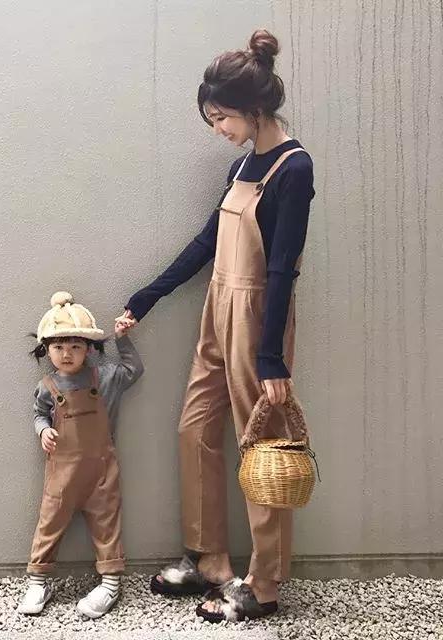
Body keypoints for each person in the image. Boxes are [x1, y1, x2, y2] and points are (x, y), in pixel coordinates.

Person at [117, 29, 315, 622]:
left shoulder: (294, 168)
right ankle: (209, 558)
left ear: (254, 109)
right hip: (216, 308)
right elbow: (208, 241)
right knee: (194, 428)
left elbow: (282, 268)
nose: (217, 129)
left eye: (221, 118)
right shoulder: (241, 165)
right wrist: (147, 297)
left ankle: (265, 584)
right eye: (212, 120)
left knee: (262, 449)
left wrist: (272, 358)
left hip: (258, 316)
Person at [18, 291, 143, 619]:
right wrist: (43, 431)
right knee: (49, 523)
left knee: (107, 523)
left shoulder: (105, 378)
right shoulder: (47, 386)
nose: (66, 354)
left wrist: (122, 338)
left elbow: (133, 369)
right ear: (46, 350)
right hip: (61, 474)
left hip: (101, 472)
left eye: (75, 346)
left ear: (89, 348)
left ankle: (111, 583)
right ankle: (38, 581)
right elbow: (39, 414)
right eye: (58, 347)